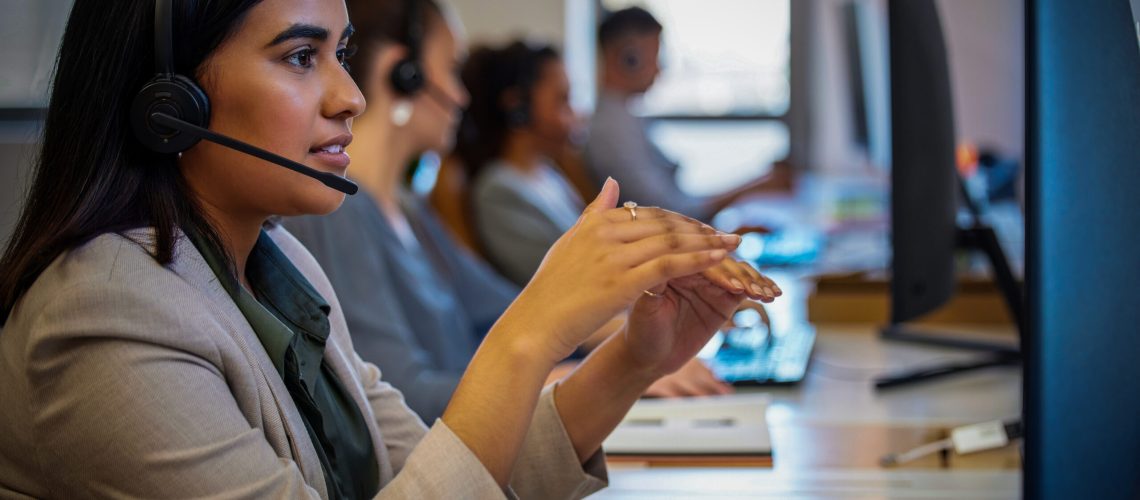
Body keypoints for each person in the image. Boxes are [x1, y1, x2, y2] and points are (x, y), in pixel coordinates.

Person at [0, 0, 781, 497]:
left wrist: (634, 360)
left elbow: (438, 474)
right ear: (171, 103)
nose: (353, 97)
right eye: (303, 58)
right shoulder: (104, 316)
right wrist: (533, 330)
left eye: (341, 54)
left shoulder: (279, 267)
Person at [585, 7, 790, 223]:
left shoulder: (625, 118)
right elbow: (670, 212)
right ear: (629, 59)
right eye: (654, 57)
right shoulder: (612, 129)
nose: (659, 70)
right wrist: (758, 186)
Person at [455, 42, 584, 288]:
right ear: (517, 106)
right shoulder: (497, 190)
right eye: (562, 100)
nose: (574, 114)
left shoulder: (549, 172)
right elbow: (561, 282)